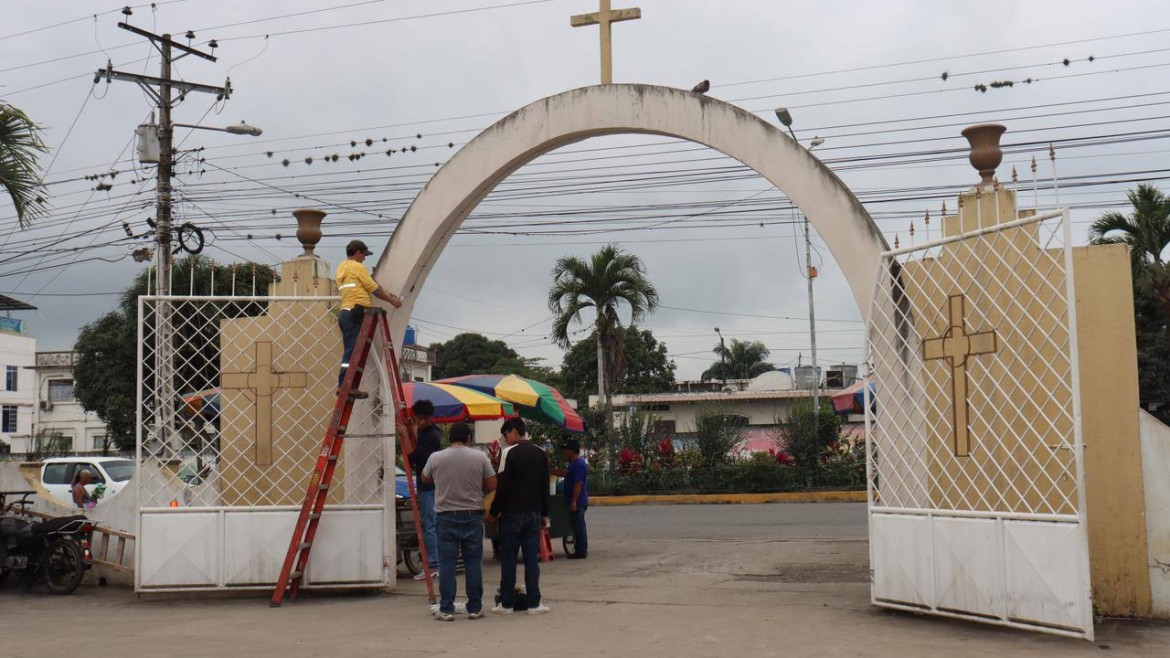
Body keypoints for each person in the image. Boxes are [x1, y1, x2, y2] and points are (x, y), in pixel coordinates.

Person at [421, 422, 497, 622]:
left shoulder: (436, 457)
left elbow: (425, 477)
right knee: (473, 563)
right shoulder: (480, 457)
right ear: (469, 438)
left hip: (445, 516)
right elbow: (492, 484)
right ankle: (474, 608)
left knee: (447, 564)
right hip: (472, 515)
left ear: (449, 438)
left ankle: (446, 608)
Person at [487, 418, 551, 615]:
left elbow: (502, 487)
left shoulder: (508, 453)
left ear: (514, 432)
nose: (506, 439)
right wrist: (544, 514)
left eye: (506, 435)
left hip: (512, 514)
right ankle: (534, 603)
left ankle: (506, 604)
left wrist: (494, 512)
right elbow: (544, 487)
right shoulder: (541, 453)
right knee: (531, 559)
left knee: (509, 559)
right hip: (533, 514)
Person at [335, 239, 403, 392]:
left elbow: (357, 285)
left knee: (349, 350)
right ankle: (345, 385)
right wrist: (393, 301)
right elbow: (374, 289)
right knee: (353, 351)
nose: (364, 258)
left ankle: (346, 384)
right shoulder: (358, 267)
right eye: (364, 255)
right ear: (358, 252)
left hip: (345, 312)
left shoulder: (341, 267)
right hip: (356, 311)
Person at [407, 400, 441, 580]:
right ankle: (434, 564)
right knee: (431, 525)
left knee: (430, 527)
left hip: (429, 487)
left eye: (423, 419)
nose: (420, 422)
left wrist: (404, 435)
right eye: (418, 419)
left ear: (430, 418)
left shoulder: (431, 437)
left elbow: (413, 457)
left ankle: (434, 565)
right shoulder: (426, 431)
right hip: (428, 486)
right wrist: (412, 430)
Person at [562, 439, 589, 559]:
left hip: (578, 501)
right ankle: (580, 548)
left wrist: (573, 501)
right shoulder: (573, 464)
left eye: (566, 450)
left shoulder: (578, 464)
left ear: (571, 451)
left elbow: (578, 484)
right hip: (575, 500)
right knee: (576, 524)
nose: (565, 453)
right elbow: (566, 475)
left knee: (579, 525)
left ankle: (581, 550)